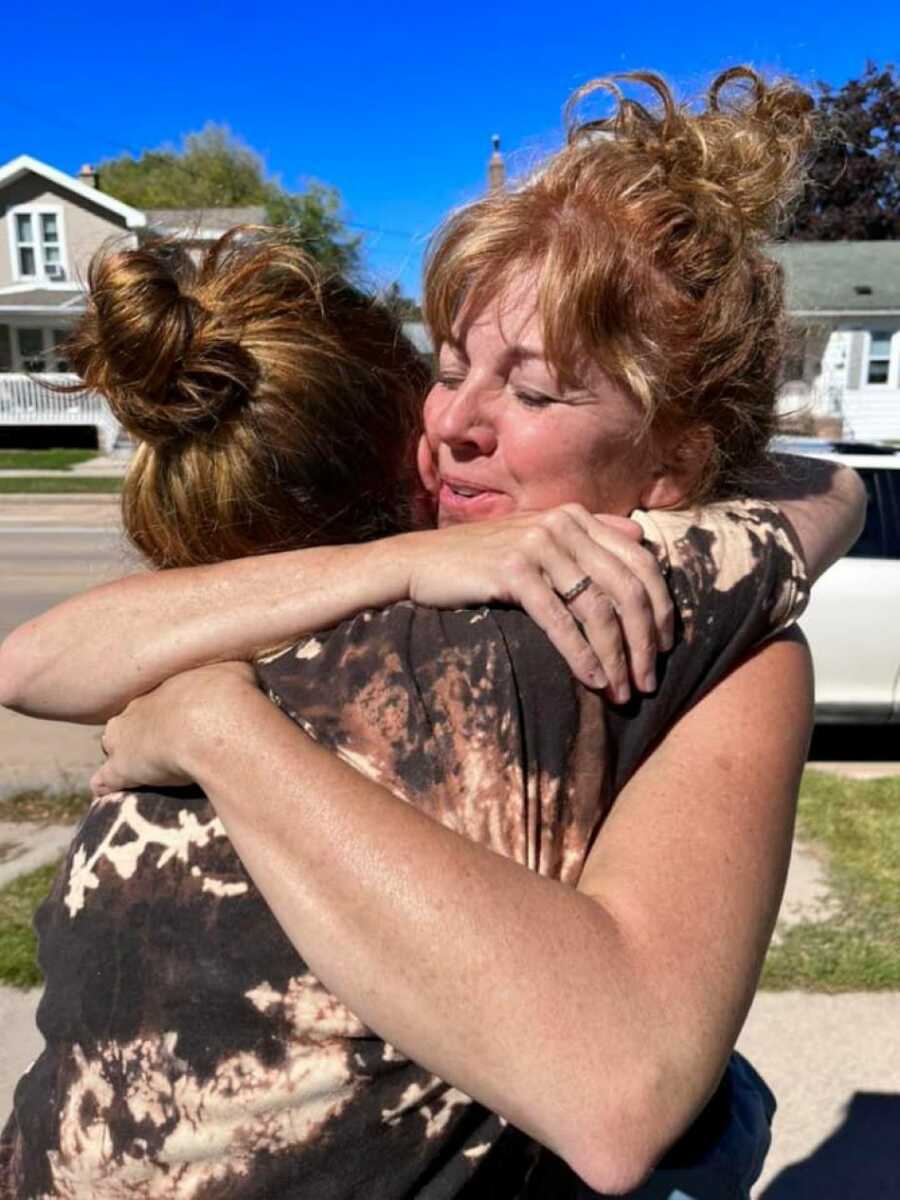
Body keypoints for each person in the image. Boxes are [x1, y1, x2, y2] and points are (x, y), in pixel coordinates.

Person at [0, 68, 863, 1199]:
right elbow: (30, 661)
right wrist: (406, 558)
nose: (455, 423)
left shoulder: (717, 635)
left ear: (679, 457)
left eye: (538, 394)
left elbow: (617, 1094)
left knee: (716, 1119)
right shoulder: (399, 554)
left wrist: (218, 727)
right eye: (451, 368)